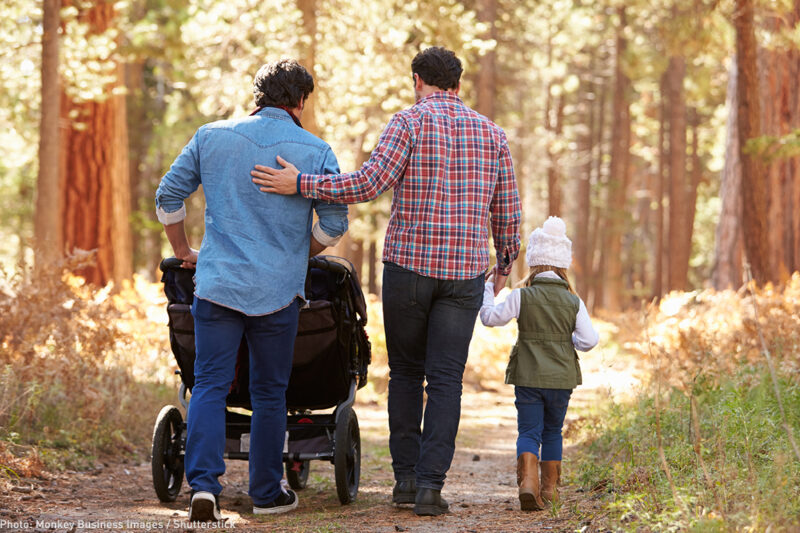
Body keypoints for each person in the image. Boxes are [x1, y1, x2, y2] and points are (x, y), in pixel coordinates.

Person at [250, 46, 522, 516]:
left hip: (409, 271)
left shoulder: (408, 123)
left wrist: (303, 184)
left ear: (419, 80)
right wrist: (502, 266)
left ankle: (405, 482)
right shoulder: (493, 135)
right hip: (463, 275)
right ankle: (431, 489)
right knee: (446, 381)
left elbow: (369, 184)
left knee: (406, 375)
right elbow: (509, 214)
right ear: (458, 83)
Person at [154, 59, 349, 522]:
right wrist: (295, 257)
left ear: (258, 94)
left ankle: (203, 488)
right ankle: (266, 493)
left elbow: (168, 195)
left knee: (208, 385)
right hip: (278, 292)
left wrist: (184, 250)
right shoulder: (317, 150)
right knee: (269, 392)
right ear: (301, 101)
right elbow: (335, 224)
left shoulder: (211, 135)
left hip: (218, 284)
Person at [479, 216, 599, 511]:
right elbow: (590, 340)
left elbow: (489, 318)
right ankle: (549, 490)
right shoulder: (574, 301)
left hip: (528, 377)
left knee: (529, 431)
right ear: (562, 265)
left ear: (534, 262)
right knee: (552, 432)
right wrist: (565, 343)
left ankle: (528, 484)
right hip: (561, 380)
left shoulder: (522, 295)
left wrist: (486, 290)